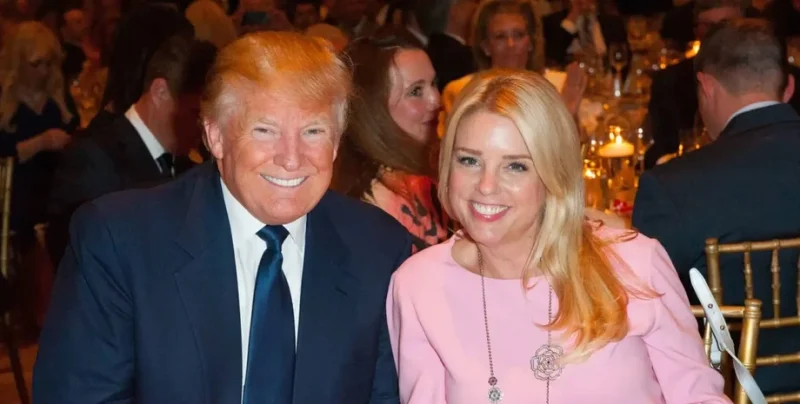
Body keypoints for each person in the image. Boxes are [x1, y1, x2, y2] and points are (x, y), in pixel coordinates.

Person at [34, 30, 408, 403]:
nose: (292, 158)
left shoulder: (376, 248)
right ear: (215, 136)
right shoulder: (121, 242)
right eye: (265, 130)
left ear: (337, 141)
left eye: (313, 131)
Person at [386, 68, 730, 403]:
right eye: (469, 161)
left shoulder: (634, 263)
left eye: (516, 165)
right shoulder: (419, 285)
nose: (486, 186)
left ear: (555, 174)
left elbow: (699, 397)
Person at [633, 19, 800, 395]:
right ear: (788, 88)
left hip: (733, 387)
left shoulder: (673, 186)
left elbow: (643, 303)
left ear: (706, 87)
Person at [46, 35, 217, 266]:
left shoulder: (188, 165)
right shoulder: (94, 158)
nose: (204, 128)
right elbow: (74, 260)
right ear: (160, 92)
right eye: (195, 113)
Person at [645, 0, 800, 168]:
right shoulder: (669, 81)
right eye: (709, 26)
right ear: (696, 30)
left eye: (726, 25)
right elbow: (657, 150)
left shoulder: (782, 75)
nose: (718, 35)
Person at [332, 33, 448, 251]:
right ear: (373, 110)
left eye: (434, 84)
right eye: (416, 91)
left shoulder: (425, 176)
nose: (436, 101)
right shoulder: (373, 205)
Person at [440, 0, 586, 133]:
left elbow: (574, 150)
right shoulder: (460, 92)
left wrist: (567, 116)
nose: (511, 44)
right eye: (500, 36)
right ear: (486, 47)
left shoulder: (553, 89)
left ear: (530, 42)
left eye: (518, 35)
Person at [0, 21, 78, 248]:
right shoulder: (4, 100)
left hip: (54, 200)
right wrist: (39, 143)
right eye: (36, 64)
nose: (44, 72)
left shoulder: (58, 98)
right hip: (12, 203)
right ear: (18, 62)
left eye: (48, 63)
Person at [542, 0, 628, 68]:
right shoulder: (553, 21)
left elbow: (621, 56)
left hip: (604, 75)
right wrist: (573, 15)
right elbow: (554, 56)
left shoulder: (614, 23)